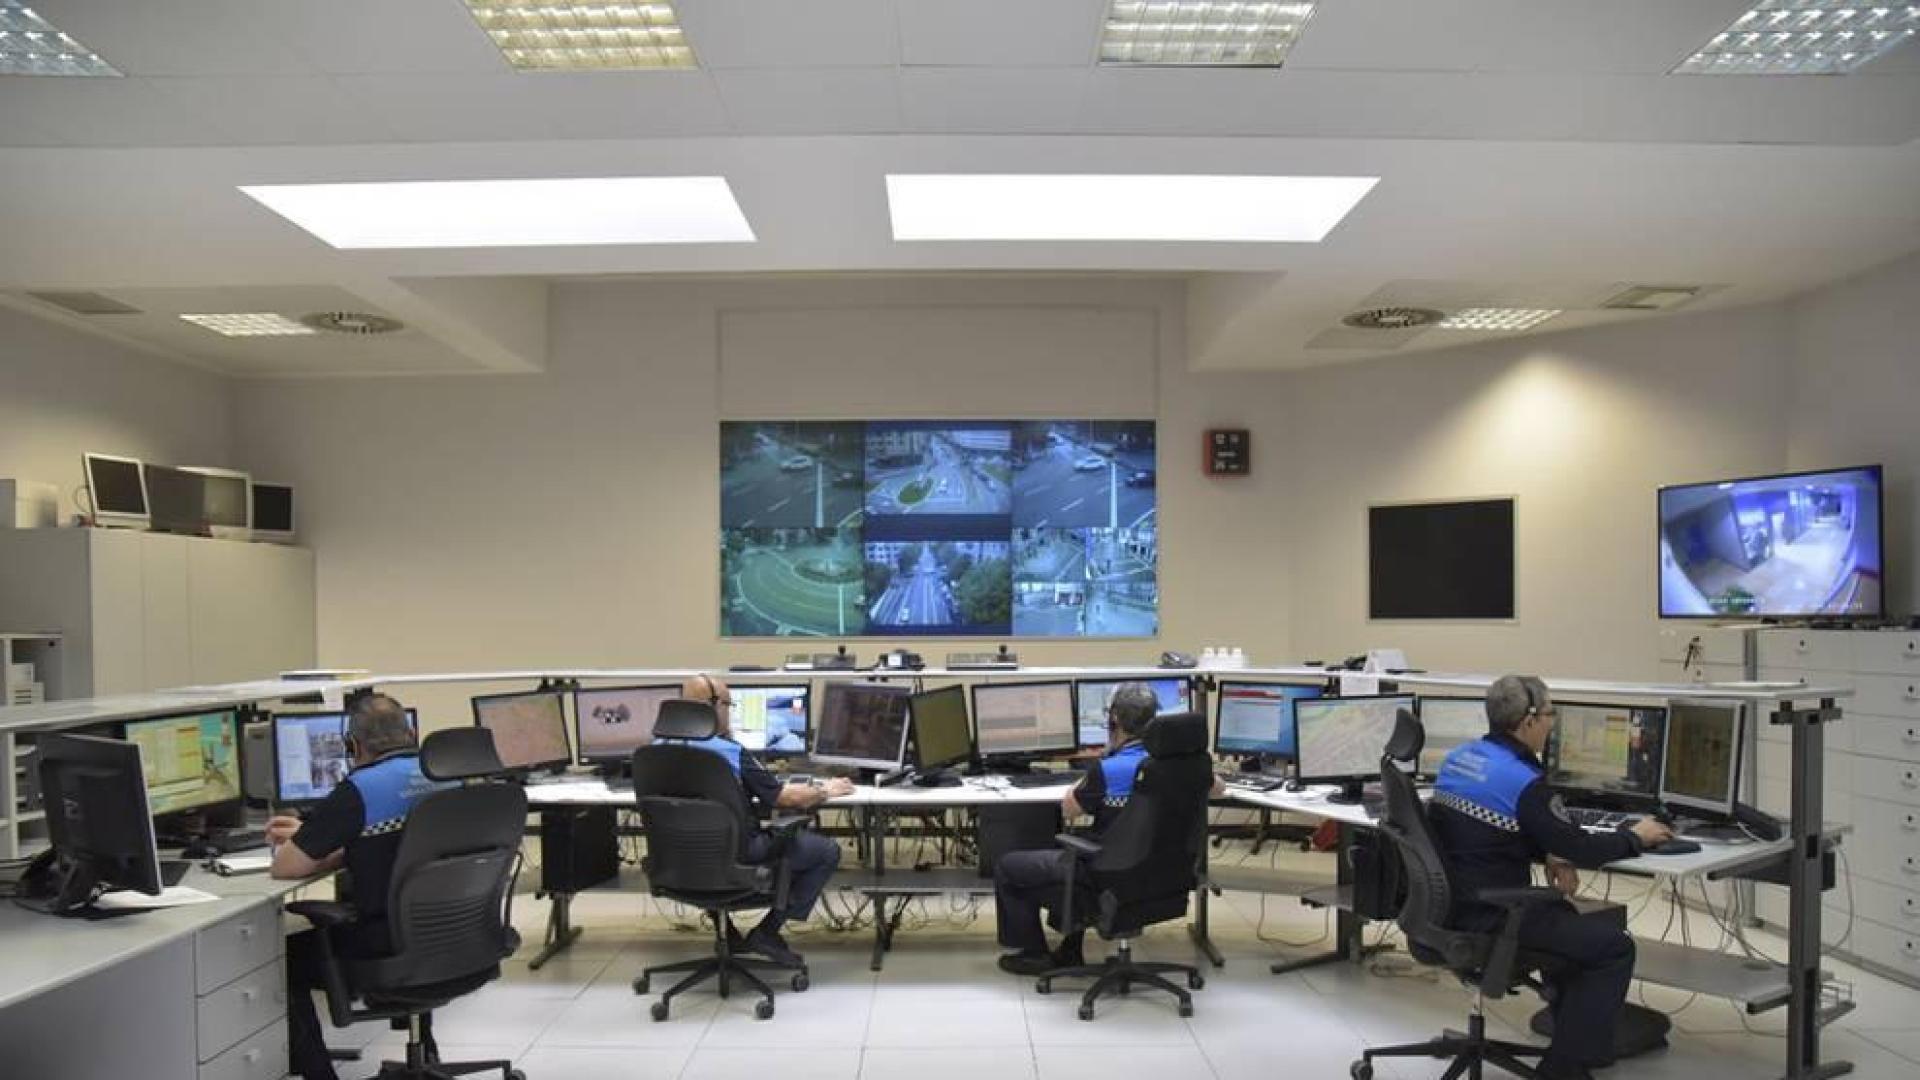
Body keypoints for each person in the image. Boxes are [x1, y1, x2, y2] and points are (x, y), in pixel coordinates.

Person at [1429, 675, 1676, 1080]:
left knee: (1565, 919)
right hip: (1492, 913)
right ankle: (1565, 1068)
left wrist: (1548, 850)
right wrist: (1635, 837)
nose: (1552, 723)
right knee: (1613, 947)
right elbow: (1582, 847)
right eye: (1548, 714)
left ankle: (1575, 1041)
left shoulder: (1461, 757)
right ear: (1527, 722)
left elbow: (1486, 832)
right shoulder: (1524, 781)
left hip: (1453, 905)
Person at [266, 693, 451, 1080]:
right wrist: (332, 839)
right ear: (412, 733)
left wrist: (310, 838)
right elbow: (402, 850)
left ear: (353, 746)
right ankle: (426, 1050)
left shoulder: (360, 789)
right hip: (453, 938)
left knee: (276, 962)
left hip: (385, 946)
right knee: (415, 909)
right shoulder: (443, 774)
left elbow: (287, 866)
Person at [993, 682, 1224, 976]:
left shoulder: (1109, 770)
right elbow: (1218, 789)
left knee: (1010, 866)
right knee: (1078, 849)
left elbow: (1069, 809)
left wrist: (1102, 761)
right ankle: (1069, 949)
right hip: (1167, 875)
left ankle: (1035, 953)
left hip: (1111, 876)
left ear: (1114, 722)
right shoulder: (1188, 766)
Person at [667, 674, 851, 966]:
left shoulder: (653, 751)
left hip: (678, 863)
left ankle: (726, 932)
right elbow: (785, 799)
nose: (730, 712)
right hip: (738, 857)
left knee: (706, 843)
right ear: (712, 708)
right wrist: (826, 789)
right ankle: (767, 933)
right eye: (728, 704)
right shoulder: (729, 752)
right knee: (825, 852)